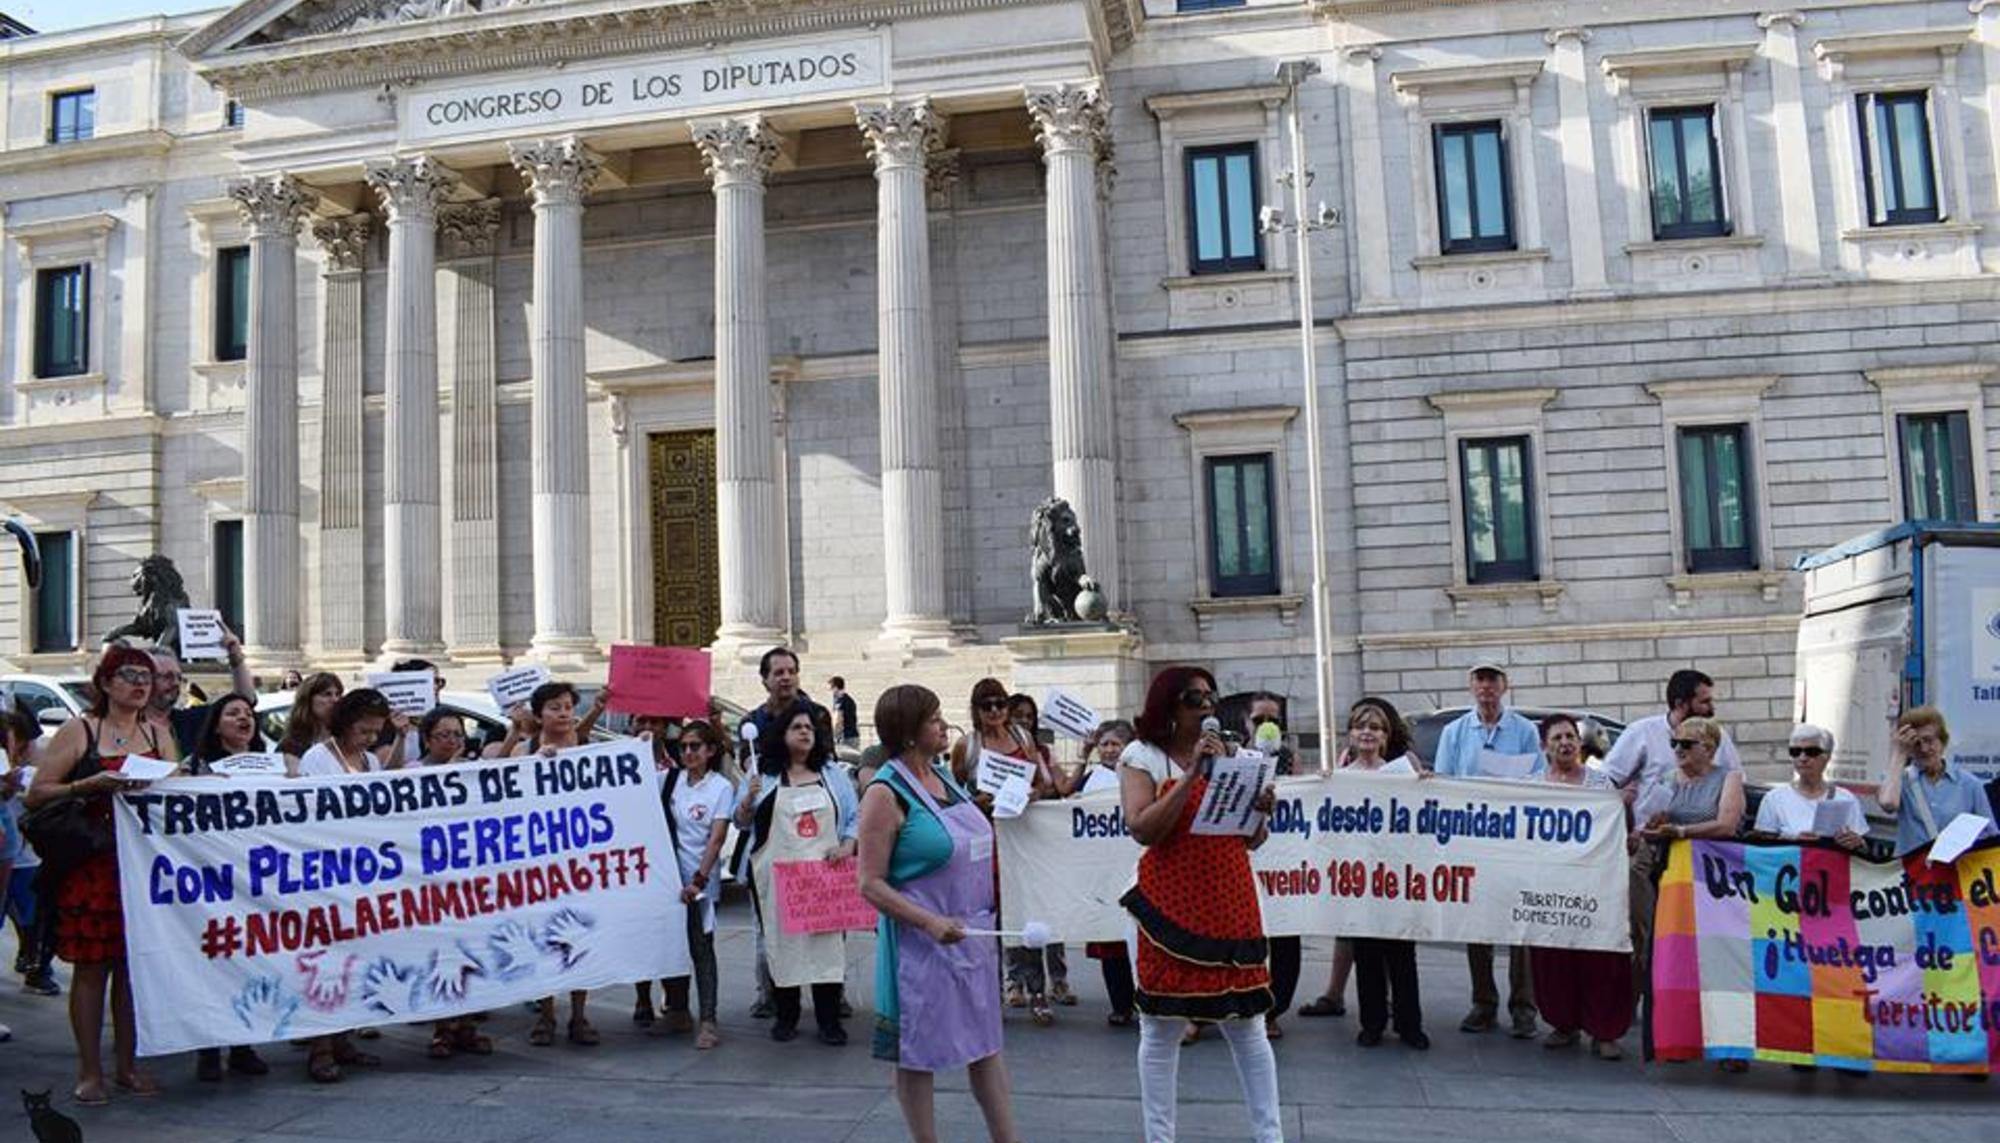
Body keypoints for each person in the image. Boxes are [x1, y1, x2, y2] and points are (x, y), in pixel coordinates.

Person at [1119, 666, 1281, 1143]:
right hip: (1166, 904)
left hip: (1228, 898)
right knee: (1161, 1030)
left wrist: (1260, 812)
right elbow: (1143, 828)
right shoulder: (1141, 756)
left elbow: (1251, 841)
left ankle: (1270, 1136)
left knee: (1247, 1026)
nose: (1207, 706)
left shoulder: (1239, 756)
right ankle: (1160, 1138)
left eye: (1211, 697)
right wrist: (1191, 775)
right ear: (1169, 705)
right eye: (1194, 698)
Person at [858, 684, 1019, 1143]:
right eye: (933, 719)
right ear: (909, 732)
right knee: (917, 1054)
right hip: (921, 947)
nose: (943, 725)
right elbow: (869, 882)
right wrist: (929, 922)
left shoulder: (945, 778)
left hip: (973, 937)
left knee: (986, 1046)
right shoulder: (884, 794)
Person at [26, 646, 174, 1104]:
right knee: (92, 969)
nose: (139, 683)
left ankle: (127, 1065)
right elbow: (37, 794)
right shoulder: (80, 730)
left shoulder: (157, 730)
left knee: (133, 970)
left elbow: (175, 786)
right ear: (106, 683)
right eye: (128, 675)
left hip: (141, 865)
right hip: (92, 864)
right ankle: (91, 1071)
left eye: (145, 676)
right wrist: (87, 785)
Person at [1431, 661, 1542, 1039]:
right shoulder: (1455, 732)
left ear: (1505, 685)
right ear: (1471, 686)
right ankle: (1484, 1002)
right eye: (1480, 679)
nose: (1486, 686)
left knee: (1520, 923)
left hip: (1515, 839)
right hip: (1472, 838)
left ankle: (1524, 1006)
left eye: (1492, 679)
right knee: (1477, 923)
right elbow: (1445, 784)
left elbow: (1538, 782)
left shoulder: (1525, 730)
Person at [1634, 714, 1745, 1072]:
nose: (1678, 750)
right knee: (1675, 960)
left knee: (1722, 960)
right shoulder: (1668, 779)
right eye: (1674, 744)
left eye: (1686, 744)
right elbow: (1651, 820)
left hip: (1715, 882)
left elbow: (1727, 825)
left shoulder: (1727, 778)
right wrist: (1653, 825)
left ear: (1709, 748)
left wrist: (1681, 830)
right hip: (1672, 878)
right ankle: (1677, 1037)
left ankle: (1731, 1045)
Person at [290, 688, 391, 1082]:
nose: (369, 739)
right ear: (345, 725)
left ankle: (344, 1038)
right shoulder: (318, 758)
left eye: (375, 732)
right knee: (327, 962)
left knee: (355, 958)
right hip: (326, 873)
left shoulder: (368, 761)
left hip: (362, 875)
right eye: (364, 731)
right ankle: (319, 1047)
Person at [949, 679, 1060, 1022]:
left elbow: (1043, 784)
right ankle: (990, 993)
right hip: (985, 840)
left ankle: (1037, 992)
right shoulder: (967, 746)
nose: (995, 711)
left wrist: (1033, 795)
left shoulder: (1023, 739)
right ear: (976, 711)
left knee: (1027, 913)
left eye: (1000, 703)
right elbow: (952, 794)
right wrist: (975, 802)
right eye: (987, 705)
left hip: (1021, 836)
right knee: (986, 917)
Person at [742, 707, 853, 1044]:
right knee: (782, 945)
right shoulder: (763, 774)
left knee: (827, 948)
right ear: (781, 734)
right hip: (779, 877)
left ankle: (829, 1020)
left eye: (809, 727)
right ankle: (786, 1016)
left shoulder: (833, 774)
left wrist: (848, 845)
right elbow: (740, 822)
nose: (805, 732)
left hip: (824, 876)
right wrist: (748, 798)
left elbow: (854, 817)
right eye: (796, 727)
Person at [503, 681, 602, 1047]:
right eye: (555, 707)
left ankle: (579, 1014)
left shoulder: (590, 751)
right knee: (541, 937)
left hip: (580, 864)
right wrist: (531, 766)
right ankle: (546, 1014)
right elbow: (501, 790)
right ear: (539, 714)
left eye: (567, 706)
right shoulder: (528, 752)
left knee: (580, 938)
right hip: (539, 865)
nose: (563, 713)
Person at [1528, 714, 1629, 1061]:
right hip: (1551, 886)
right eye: (1556, 738)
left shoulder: (1602, 785)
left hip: (1597, 887)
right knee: (1553, 959)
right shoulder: (1532, 786)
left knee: (1601, 960)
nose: (1565, 743)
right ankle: (1563, 1024)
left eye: (1570, 736)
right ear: (1544, 746)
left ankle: (1605, 1031)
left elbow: (1621, 834)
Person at [1341, 697, 1427, 1051]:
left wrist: (1427, 785)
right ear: (1350, 734)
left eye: (1375, 727)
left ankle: (1410, 1025)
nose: (1367, 733)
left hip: (1396, 877)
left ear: (1386, 736)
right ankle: (1372, 1023)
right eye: (1361, 726)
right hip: (1361, 880)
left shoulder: (1402, 773)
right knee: (1366, 954)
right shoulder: (1343, 777)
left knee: (1402, 954)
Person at [409, 710, 496, 1060]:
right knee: (438, 955)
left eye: (457, 735)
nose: (452, 741)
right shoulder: (412, 773)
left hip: (467, 878)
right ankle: (441, 1028)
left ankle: (465, 1025)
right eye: (443, 735)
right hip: (428, 877)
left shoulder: (470, 771)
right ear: (427, 739)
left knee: (469, 951)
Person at [654, 719, 734, 1050]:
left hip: (699, 880)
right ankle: (677, 1009)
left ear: (710, 751)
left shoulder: (720, 788)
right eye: (684, 746)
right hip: (668, 879)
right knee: (670, 947)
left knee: (701, 949)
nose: (688, 752)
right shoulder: (670, 780)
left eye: (695, 746)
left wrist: (699, 880)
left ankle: (709, 1019)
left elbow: (716, 839)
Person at [1243, 693, 1300, 1039]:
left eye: (1274, 721)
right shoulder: (1235, 756)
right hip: (1246, 857)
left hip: (1285, 862)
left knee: (1285, 935)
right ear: (1246, 723)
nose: (1267, 726)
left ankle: (1273, 1009)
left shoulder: (1288, 758)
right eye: (1260, 718)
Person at [1077, 720, 1138, 1026]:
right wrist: (1081, 756)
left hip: (1133, 868)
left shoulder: (1140, 775)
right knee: (1110, 939)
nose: (1110, 749)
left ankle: (1143, 1000)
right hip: (1103, 872)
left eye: (1116, 743)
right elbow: (1066, 797)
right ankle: (1120, 1004)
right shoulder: (1090, 778)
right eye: (1105, 744)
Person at [1876, 706, 1997, 858]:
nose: (1924, 749)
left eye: (1929, 740)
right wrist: (1899, 752)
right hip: (1913, 874)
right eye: (1916, 743)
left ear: (1942, 741)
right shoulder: (1900, 779)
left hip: (1955, 873)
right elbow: (1888, 803)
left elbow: (1991, 836)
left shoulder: (1970, 784)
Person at [1, 705, 58, 998]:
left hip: (24, 858)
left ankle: (36, 967)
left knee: (32, 916)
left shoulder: (31, 769)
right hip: (13, 853)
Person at [1751, 724, 1868, 849]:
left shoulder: (1846, 798)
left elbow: (1864, 849)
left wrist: (1857, 842)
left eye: (1811, 752)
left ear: (1827, 756)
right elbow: (1761, 846)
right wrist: (1793, 841)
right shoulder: (1774, 798)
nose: (1802, 758)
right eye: (1795, 752)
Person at [144, 638, 255, 760]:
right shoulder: (126, 725)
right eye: (167, 677)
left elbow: (243, 700)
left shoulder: (191, 721)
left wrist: (235, 657)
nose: (175, 683)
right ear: (145, 679)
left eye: (179, 677)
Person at [277, 672, 345, 769]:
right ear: (308, 700)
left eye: (338, 694)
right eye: (327, 694)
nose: (335, 700)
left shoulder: (348, 737)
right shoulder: (292, 745)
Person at [188, 692, 264, 774]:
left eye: (249, 714)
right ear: (216, 727)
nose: (243, 717)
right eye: (233, 714)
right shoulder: (195, 764)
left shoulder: (268, 762)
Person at [830, 676, 861, 746]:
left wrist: (833, 735)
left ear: (835, 687)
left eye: (831, 688)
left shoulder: (840, 701)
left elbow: (838, 720)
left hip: (845, 737)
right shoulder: (850, 700)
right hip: (854, 735)